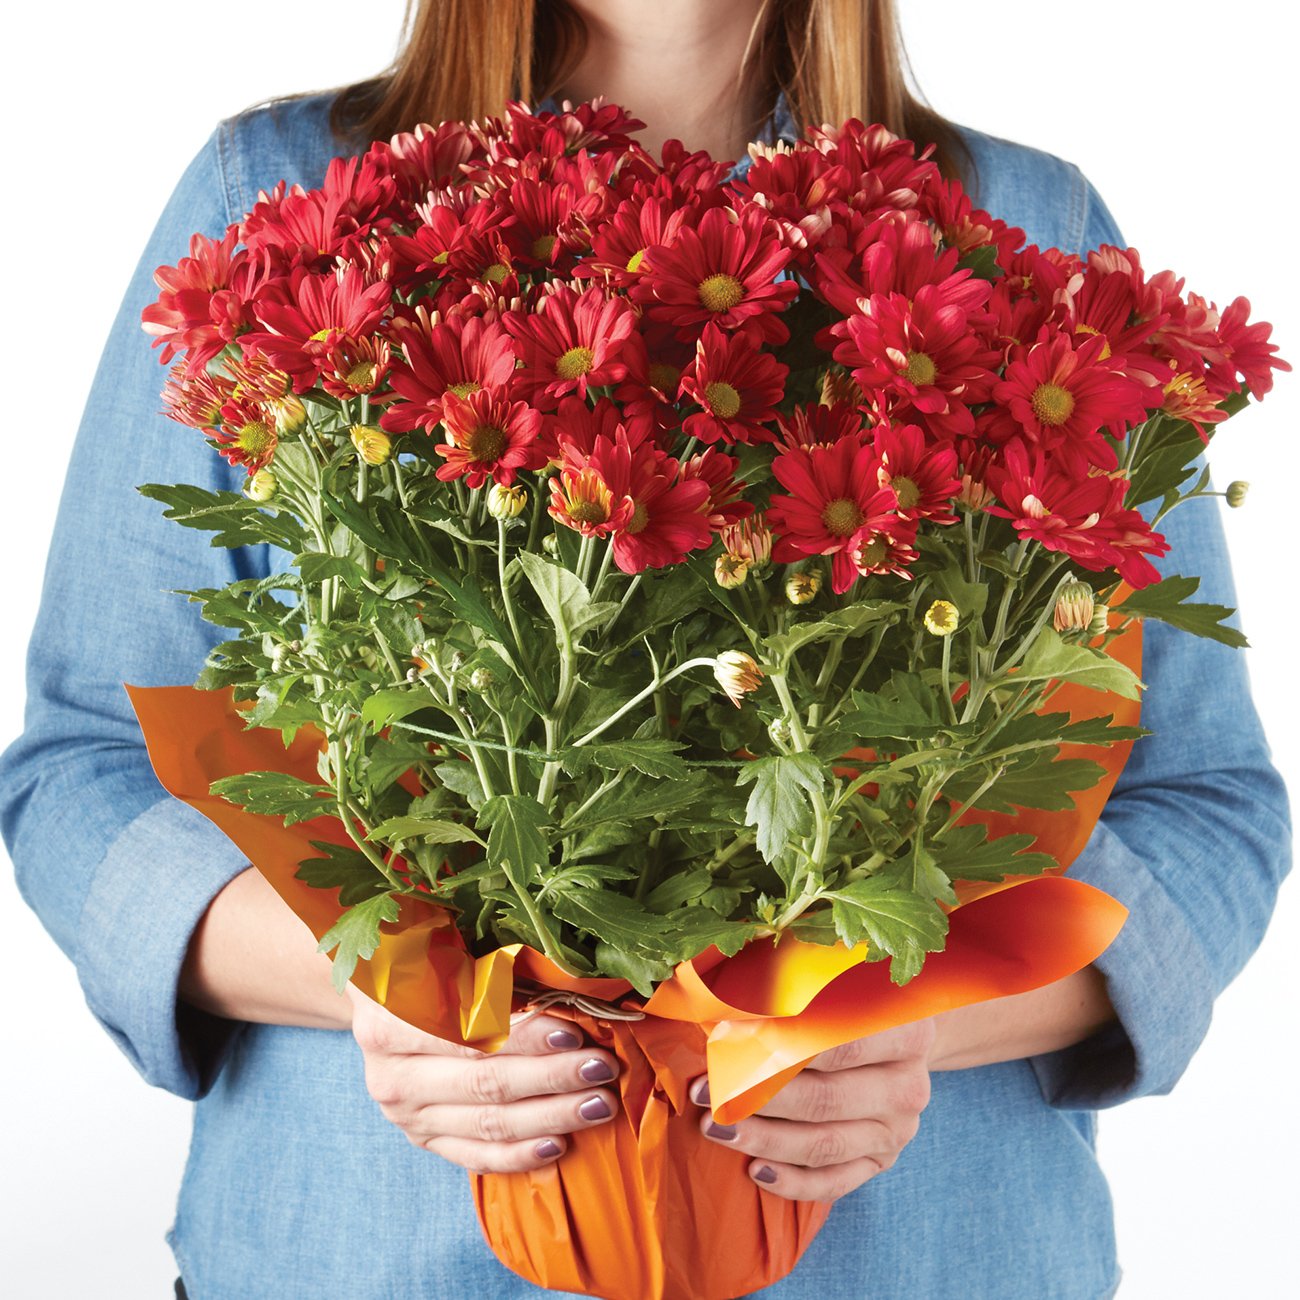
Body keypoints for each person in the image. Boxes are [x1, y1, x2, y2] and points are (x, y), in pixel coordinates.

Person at [0, 0, 1289, 1295]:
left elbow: (1208, 807)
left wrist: (910, 1015)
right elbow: (87, 766)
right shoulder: (275, 202)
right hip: (381, 1257)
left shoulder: (1026, 236)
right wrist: (377, 987)